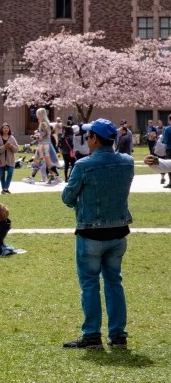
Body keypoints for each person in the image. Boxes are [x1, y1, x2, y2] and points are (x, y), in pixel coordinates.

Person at [62, 118, 134, 349]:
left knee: (90, 285)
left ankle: (92, 335)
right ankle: (118, 335)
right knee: (114, 282)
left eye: (88, 136)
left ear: (94, 138)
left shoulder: (84, 165)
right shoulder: (127, 162)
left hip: (91, 232)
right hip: (118, 231)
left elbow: (67, 197)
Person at [0, 123, 19, 193]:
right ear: (1, 129)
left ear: (9, 129)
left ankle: (5, 188)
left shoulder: (12, 138)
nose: (6, 129)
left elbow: (17, 149)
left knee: (10, 172)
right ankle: (4, 189)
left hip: (10, 160)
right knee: (2, 175)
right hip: (1, 160)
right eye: (4, 128)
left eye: (7, 128)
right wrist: (4, 147)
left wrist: (11, 146)